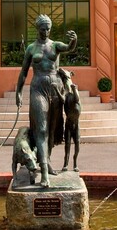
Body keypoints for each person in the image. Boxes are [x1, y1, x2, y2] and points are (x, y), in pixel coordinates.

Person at [15, 15, 77, 187]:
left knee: (52, 128)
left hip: (55, 89)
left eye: (48, 28)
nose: (46, 31)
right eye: (43, 28)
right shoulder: (31, 48)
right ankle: (43, 172)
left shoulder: (55, 45)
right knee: (41, 129)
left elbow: (68, 48)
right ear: (38, 29)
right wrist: (18, 92)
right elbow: (23, 72)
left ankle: (47, 160)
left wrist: (74, 41)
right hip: (38, 88)